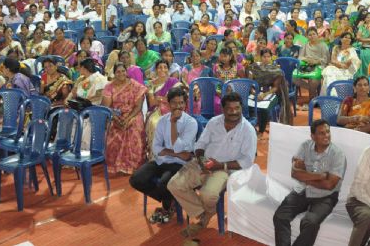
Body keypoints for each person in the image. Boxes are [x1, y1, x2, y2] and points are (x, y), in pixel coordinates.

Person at [167, 92, 257, 239]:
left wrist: (220, 165)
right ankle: (204, 213)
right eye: (230, 108)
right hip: (202, 163)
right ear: (223, 109)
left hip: (224, 169)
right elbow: (200, 145)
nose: (234, 112)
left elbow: (247, 161)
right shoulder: (214, 122)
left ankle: (204, 216)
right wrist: (202, 161)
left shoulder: (248, 130)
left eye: (237, 108)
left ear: (242, 108)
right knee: (174, 185)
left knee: (208, 195)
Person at [129, 87, 198, 224]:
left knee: (164, 183)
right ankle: (170, 201)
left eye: (181, 103)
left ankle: (166, 208)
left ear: (185, 104)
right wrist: (174, 153)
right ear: (168, 103)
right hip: (161, 160)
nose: (178, 106)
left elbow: (179, 147)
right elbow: (156, 147)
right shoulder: (162, 121)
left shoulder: (190, 123)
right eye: (174, 103)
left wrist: (173, 124)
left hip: (180, 164)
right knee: (136, 179)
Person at [273, 119, 347, 246]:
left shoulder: (338, 154)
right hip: (302, 190)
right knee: (280, 216)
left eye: (328, 132)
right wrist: (320, 176)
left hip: (326, 196)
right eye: (321, 133)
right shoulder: (305, 146)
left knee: (310, 222)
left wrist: (305, 178)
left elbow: (329, 185)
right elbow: (294, 173)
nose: (326, 135)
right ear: (313, 136)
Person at [102, 62, 147, 174]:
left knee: (134, 129)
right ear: (114, 73)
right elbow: (107, 107)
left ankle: (133, 164)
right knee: (114, 130)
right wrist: (116, 119)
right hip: (115, 115)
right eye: (118, 72)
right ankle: (117, 164)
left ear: (126, 72)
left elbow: (138, 106)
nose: (121, 74)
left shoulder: (135, 86)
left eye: (123, 71)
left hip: (133, 114)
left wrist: (128, 118)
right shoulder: (109, 87)